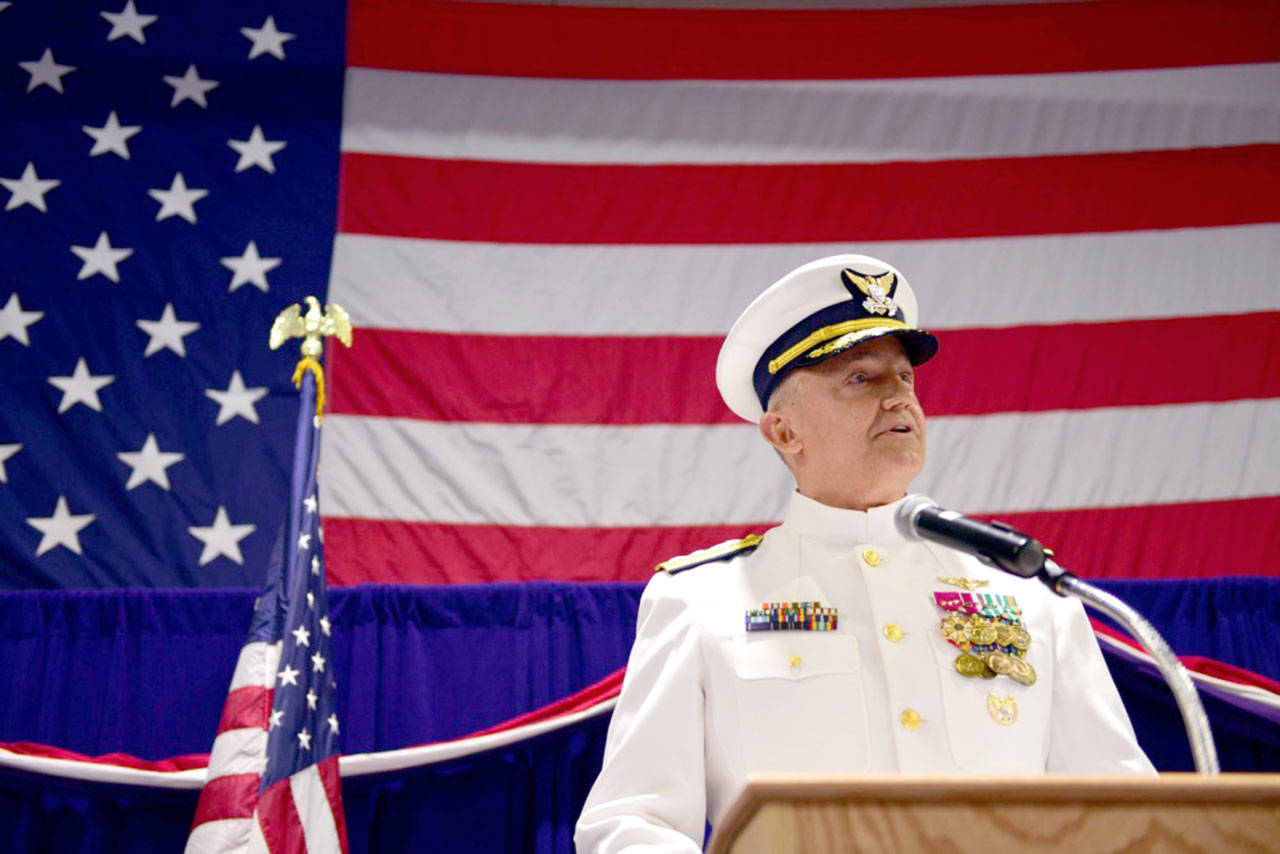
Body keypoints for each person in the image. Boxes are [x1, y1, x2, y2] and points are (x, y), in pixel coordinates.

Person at [574, 254, 1154, 852]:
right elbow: (632, 823)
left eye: (904, 377)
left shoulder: (1028, 587)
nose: (899, 397)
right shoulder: (700, 602)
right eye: (861, 378)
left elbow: (1122, 807)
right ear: (784, 432)